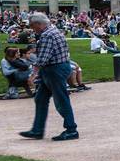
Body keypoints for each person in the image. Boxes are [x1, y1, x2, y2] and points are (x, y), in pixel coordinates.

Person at [18, 12, 79, 141]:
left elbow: (42, 59)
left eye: (33, 26)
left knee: (61, 101)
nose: (32, 29)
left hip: (54, 70)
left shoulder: (47, 35)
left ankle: (71, 129)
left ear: (39, 24)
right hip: (59, 67)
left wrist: (33, 75)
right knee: (40, 99)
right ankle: (37, 130)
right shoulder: (54, 30)